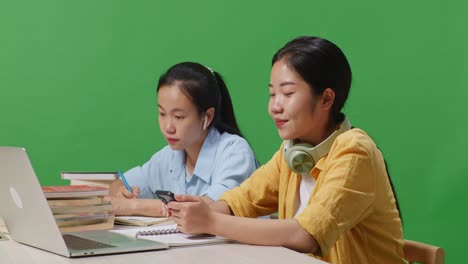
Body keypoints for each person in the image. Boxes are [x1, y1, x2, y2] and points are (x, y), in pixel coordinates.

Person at [167, 37, 406, 263]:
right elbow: (240, 202)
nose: (275, 107)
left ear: (326, 99)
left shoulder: (355, 151)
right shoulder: (292, 151)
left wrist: (209, 221)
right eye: (272, 94)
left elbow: (304, 236)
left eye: (288, 93)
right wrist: (199, 210)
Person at [108, 62, 258, 217]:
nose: (168, 127)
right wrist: (121, 191)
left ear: (207, 116)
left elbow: (208, 210)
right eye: (162, 113)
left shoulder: (235, 152)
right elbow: (118, 183)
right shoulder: (168, 156)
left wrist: (133, 206)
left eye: (178, 117)